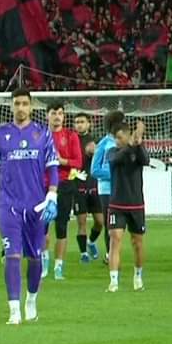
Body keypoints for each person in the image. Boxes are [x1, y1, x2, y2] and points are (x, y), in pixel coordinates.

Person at [0, 88, 59, 324]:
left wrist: (52, 195)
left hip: (35, 205)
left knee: (34, 257)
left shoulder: (42, 134)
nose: (20, 108)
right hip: (8, 204)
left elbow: (52, 167)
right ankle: (13, 309)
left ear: (31, 106)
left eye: (24, 103)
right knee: (12, 255)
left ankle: (31, 299)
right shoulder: (1, 134)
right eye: (16, 103)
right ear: (12, 106)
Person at [106, 120, 149, 292]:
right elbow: (118, 158)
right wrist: (131, 144)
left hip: (136, 205)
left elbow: (145, 160)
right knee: (115, 239)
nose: (117, 141)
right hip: (116, 204)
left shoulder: (138, 151)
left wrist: (138, 143)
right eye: (116, 138)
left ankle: (138, 276)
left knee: (137, 243)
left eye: (119, 137)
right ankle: (114, 281)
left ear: (127, 135)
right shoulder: (112, 152)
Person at [45, 103, 83, 281]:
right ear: (47, 116)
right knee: (41, 227)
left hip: (65, 184)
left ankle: (58, 267)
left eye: (60, 113)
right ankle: (44, 264)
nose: (57, 116)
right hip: (43, 185)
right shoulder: (39, 136)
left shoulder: (71, 136)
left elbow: (78, 162)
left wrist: (61, 161)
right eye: (54, 113)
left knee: (61, 226)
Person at [90, 110, 125, 264]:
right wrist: (116, 173)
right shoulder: (103, 144)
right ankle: (109, 255)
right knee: (110, 224)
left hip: (122, 189)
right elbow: (94, 170)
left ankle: (113, 253)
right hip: (107, 191)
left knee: (120, 226)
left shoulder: (122, 142)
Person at [73, 114, 103, 263]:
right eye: (77, 122)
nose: (79, 125)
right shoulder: (72, 141)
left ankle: (91, 241)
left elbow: (102, 160)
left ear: (88, 124)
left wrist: (96, 152)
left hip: (94, 185)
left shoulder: (95, 141)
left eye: (82, 122)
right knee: (82, 221)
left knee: (100, 221)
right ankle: (83, 253)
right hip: (78, 186)